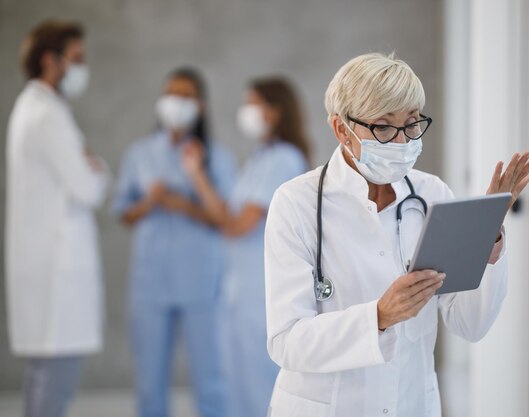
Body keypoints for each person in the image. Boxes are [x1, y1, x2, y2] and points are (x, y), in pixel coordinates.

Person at [263, 53, 529, 417]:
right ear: (341, 129)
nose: (400, 141)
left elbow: (469, 324)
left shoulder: (433, 195)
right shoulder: (296, 203)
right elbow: (286, 342)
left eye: (411, 124)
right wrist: (378, 316)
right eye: (382, 127)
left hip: (411, 403)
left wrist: (485, 239)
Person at [181, 77, 310, 417]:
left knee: (258, 385)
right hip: (239, 290)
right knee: (237, 384)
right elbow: (227, 216)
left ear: (274, 111)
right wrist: (196, 174)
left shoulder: (283, 158)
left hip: (259, 293)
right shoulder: (260, 159)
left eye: (253, 103)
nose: (246, 111)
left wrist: (198, 185)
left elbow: (237, 226)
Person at [111, 68, 236, 417]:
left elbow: (224, 219)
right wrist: (150, 202)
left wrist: (183, 200)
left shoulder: (216, 158)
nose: (175, 102)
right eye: (171, 94)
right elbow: (124, 213)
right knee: (150, 383)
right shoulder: (139, 154)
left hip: (200, 281)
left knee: (211, 378)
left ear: (201, 106)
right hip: (151, 283)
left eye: (185, 95)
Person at [5, 20, 110, 417]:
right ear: (51, 60)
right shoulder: (47, 115)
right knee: (54, 383)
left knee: (44, 379)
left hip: (47, 269)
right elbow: (89, 186)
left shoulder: (33, 109)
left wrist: (89, 164)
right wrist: (96, 164)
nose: (82, 68)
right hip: (56, 274)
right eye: (77, 59)